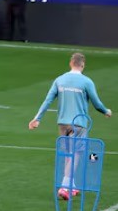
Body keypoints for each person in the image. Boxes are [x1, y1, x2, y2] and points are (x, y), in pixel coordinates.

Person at [28, 53, 111, 199]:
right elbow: (96, 103)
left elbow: (48, 100)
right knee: (77, 154)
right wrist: (106, 111)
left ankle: (71, 185)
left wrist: (37, 118)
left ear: (70, 63)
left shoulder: (60, 80)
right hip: (79, 123)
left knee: (68, 154)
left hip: (63, 123)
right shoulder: (86, 82)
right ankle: (65, 186)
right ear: (83, 65)